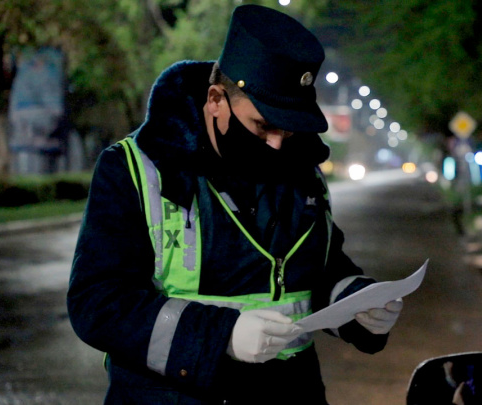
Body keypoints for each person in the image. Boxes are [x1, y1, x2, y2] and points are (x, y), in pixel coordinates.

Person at [67, 4, 403, 404]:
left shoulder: (302, 173)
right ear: (216, 99)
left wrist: (357, 301)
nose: (277, 144)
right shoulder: (135, 169)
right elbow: (98, 303)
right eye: (263, 125)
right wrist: (219, 335)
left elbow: (320, 270)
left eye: (288, 129)